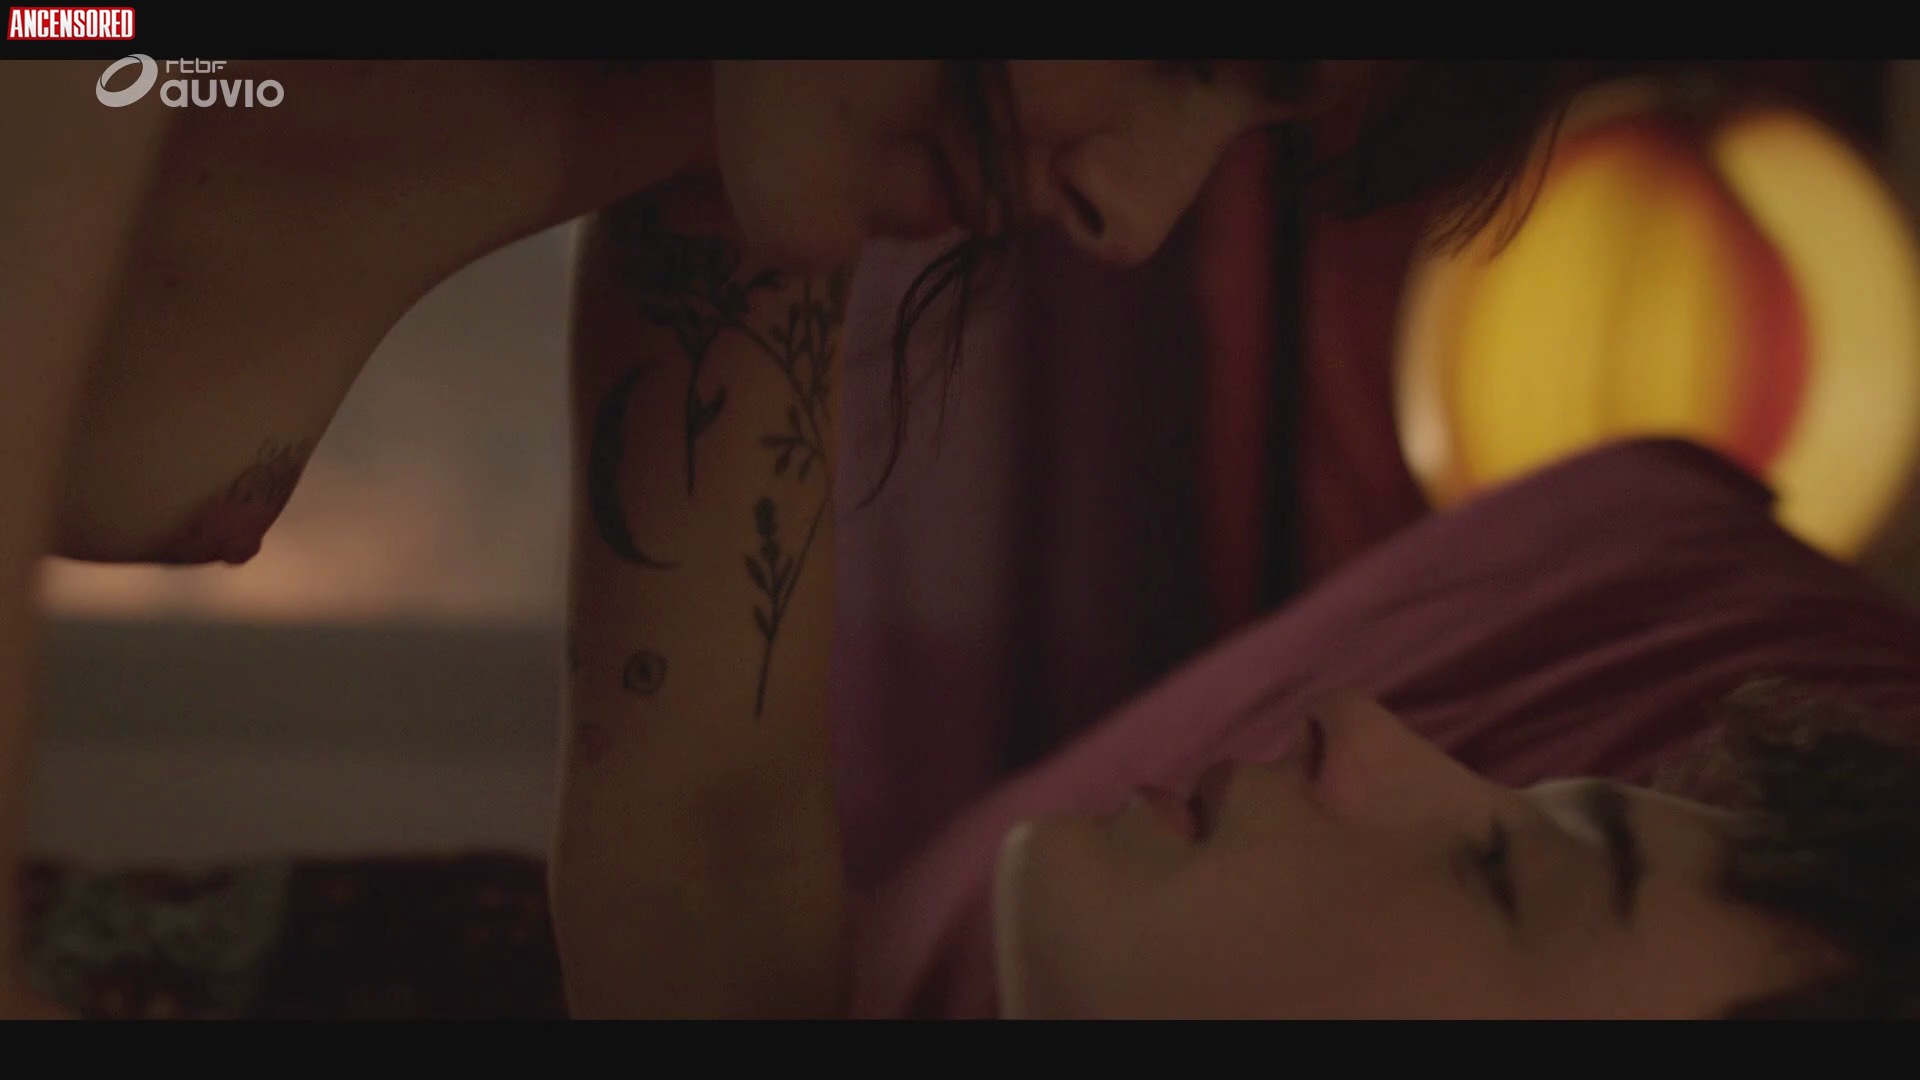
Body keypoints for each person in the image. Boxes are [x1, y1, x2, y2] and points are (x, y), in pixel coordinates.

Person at [3, 59, 1618, 1018]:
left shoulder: (723, 165)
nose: (1135, 218)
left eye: (1247, 127)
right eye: (1184, 48)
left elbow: (710, 838)